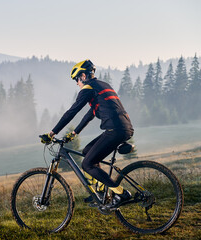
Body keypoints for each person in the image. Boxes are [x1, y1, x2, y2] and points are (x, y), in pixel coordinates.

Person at [40, 59, 134, 208]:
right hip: (124, 127)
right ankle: (101, 192)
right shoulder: (103, 85)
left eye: (76, 79)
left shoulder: (88, 88)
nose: (77, 83)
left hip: (115, 130)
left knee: (87, 164)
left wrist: (52, 133)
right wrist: (75, 132)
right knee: (87, 151)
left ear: (83, 76)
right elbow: (90, 114)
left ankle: (121, 193)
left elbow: (71, 112)